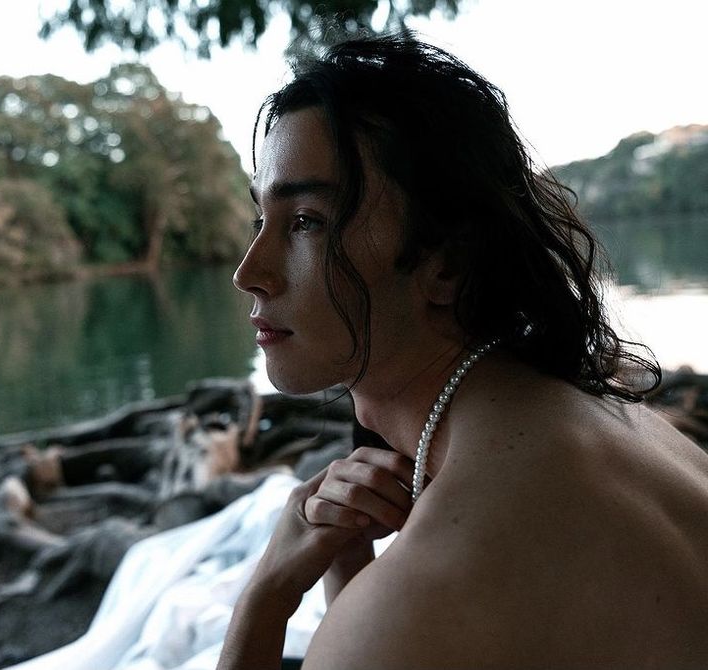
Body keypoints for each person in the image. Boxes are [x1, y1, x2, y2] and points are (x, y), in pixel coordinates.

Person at [218, 33, 708, 669]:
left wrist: (265, 599)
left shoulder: (414, 604)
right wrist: (347, 565)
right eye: (262, 221)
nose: (249, 271)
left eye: (307, 221)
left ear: (446, 265)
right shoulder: (622, 425)